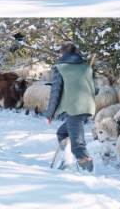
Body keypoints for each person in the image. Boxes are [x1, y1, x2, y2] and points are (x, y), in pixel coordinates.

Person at [45, 42, 96, 172]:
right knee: (62, 133)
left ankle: (88, 172)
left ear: (63, 53)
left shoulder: (61, 68)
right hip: (88, 107)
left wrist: (50, 113)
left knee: (77, 145)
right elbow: (96, 89)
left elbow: (55, 91)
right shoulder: (86, 67)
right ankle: (66, 160)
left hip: (74, 109)